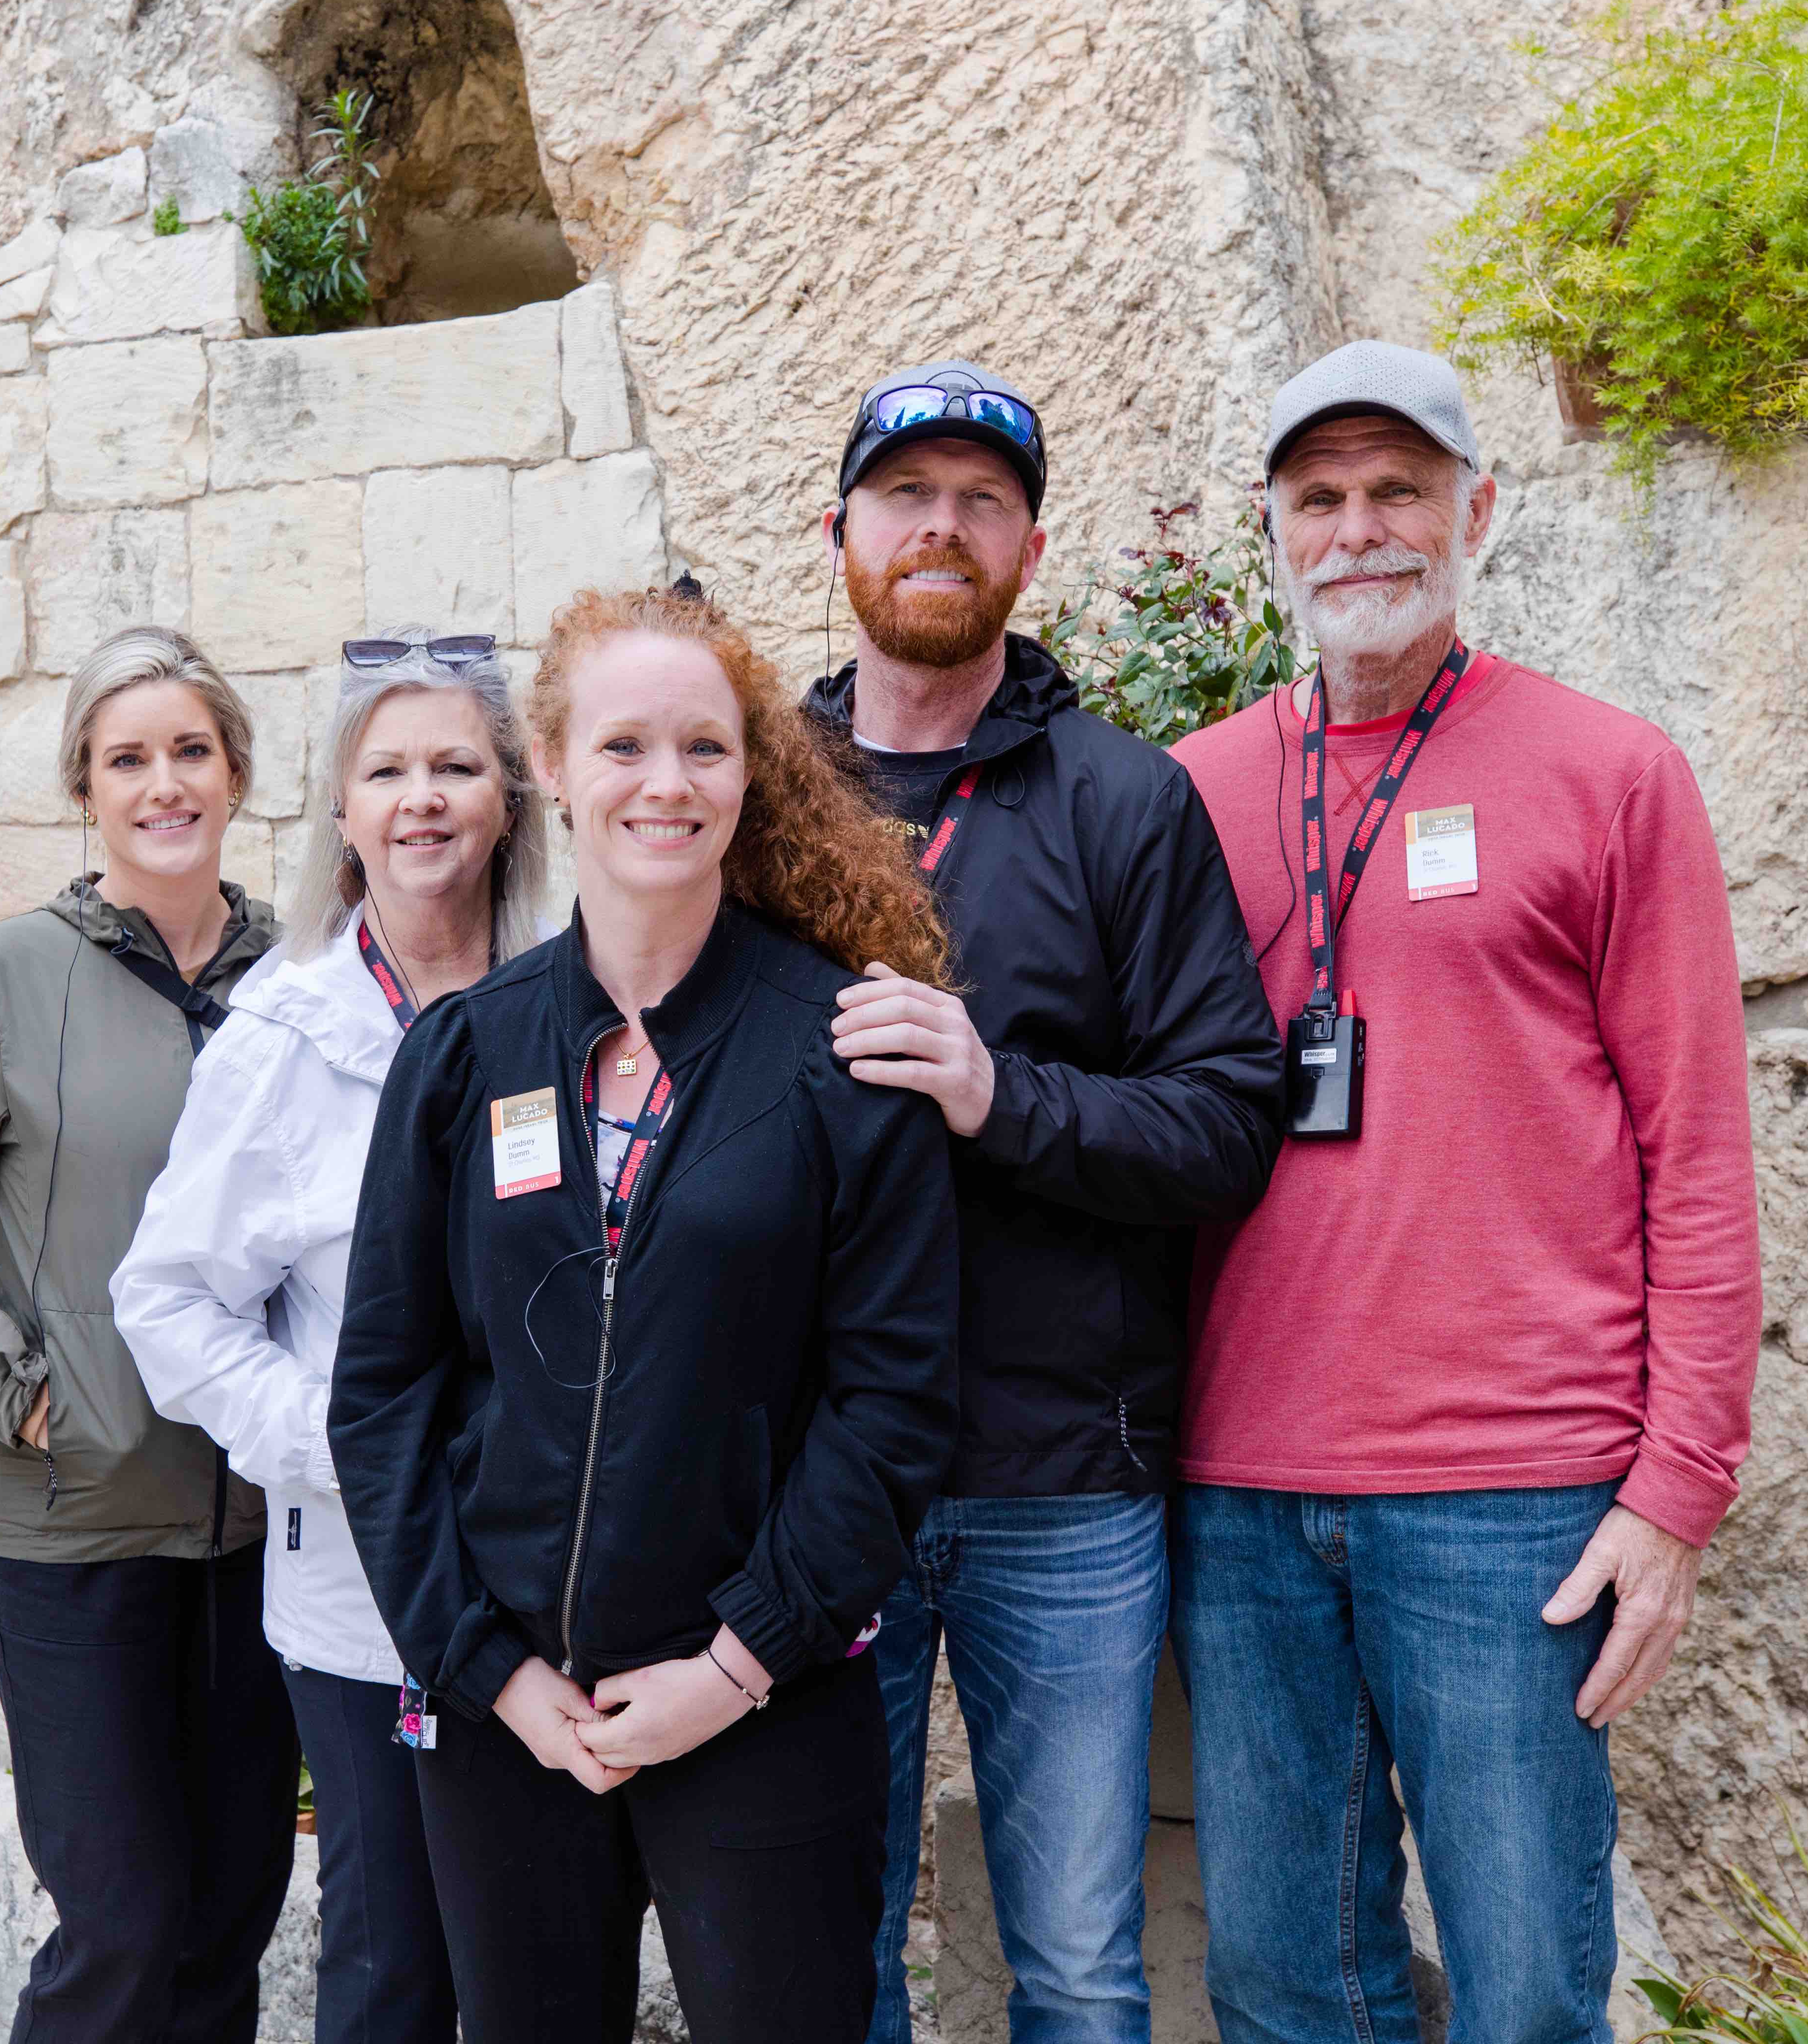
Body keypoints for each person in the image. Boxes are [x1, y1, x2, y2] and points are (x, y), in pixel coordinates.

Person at [1169, 341, 1761, 2044]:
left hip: (1517, 1503)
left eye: (1399, 491)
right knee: (1287, 1988)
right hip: (1239, 1490)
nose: (1361, 530)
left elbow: (1697, 1157)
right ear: (1274, 534)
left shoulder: (1608, 774)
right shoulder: (1191, 795)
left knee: (1524, 1991)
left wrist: (1676, 1495)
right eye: (1322, 498)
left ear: (1476, 512)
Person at [329, 584, 962, 2044]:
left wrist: (735, 1667)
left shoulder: (841, 1051)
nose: (664, 784)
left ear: (751, 776)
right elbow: (384, 1391)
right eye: (623, 746)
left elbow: (894, 1405)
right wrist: (488, 1669)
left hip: (764, 1705)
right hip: (511, 1721)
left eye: (705, 748)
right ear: (552, 765)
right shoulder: (466, 1055)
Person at [800, 361, 1286, 2044]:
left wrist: (998, 1094)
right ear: (843, 530)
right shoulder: (748, 796)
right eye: (907, 495)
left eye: (981, 501)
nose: (942, 526)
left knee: (1078, 1967)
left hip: (1063, 1479)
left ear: (1030, 545)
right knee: (821, 1950)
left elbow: (1227, 1124)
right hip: (809, 1475)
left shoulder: (1123, 799)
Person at [0, 625, 297, 2044]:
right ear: (85, 788)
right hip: (75, 1523)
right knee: (121, 1924)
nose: (165, 784)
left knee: (233, 1918)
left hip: (267, 1535)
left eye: (191, 751)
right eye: (128, 758)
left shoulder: (305, 982)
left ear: (235, 772)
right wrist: (21, 1394)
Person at [110, 630, 553, 2044]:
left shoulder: (575, 1004)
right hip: (366, 1596)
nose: (423, 799)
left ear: (508, 801)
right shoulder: (282, 1036)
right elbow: (166, 1301)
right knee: (395, 1965)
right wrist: (336, 1442)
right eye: (389, 771)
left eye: (456, 767)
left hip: (561, 1576)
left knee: (544, 1955)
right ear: (345, 813)